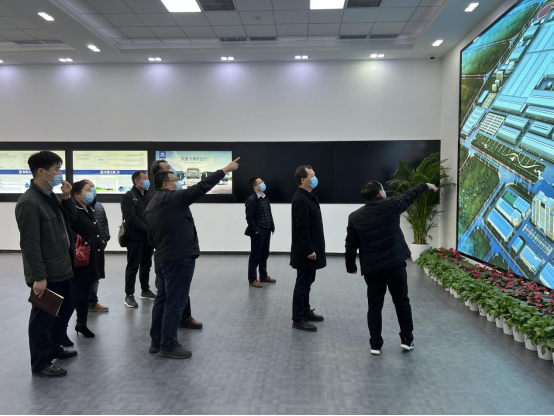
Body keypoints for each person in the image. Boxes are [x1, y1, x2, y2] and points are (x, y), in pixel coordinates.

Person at [145, 158, 240, 359]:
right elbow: (202, 186)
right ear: (165, 185)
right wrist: (225, 169)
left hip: (162, 258)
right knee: (175, 303)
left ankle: (157, 341)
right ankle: (169, 345)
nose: (178, 183)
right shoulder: (173, 198)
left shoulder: (152, 204)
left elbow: (151, 238)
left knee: (162, 301)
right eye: (174, 180)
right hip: (178, 258)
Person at [345, 181, 438, 356]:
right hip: (394, 265)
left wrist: (351, 266)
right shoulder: (392, 205)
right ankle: (407, 339)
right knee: (401, 301)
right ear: (380, 193)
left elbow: (351, 244)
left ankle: (375, 344)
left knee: (374, 305)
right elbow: (410, 195)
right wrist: (426, 185)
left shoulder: (355, 216)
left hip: (372, 268)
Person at [15, 151, 78, 378]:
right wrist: (39, 277)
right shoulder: (29, 202)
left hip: (62, 267)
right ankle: (41, 362)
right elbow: (29, 244)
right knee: (43, 318)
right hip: (46, 273)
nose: (59, 174)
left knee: (64, 310)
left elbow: (70, 221)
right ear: (41, 171)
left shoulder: (51, 196)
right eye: (56, 169)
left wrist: (67, 199)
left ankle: (54, 347)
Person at [151, 159, 202, 330]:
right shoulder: (166, 199)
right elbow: (200, 188)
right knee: (173, 298)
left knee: (169, 296)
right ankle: (168, 340)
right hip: (174, 255)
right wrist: (224, 170)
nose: (173, 170)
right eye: (168, 169)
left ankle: (159, 338)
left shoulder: (161, 200)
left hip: (168, 254)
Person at [291, 166, 326, 333]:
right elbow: (302, 228)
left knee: (307, 282)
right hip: (306, 251)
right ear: (303, 180)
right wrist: (309, 250)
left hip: (311, 248)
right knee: (303, 284)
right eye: (312, 175)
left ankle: (305, 311)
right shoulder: (300, 199)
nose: (315, 178)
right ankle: (298, 319)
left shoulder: (308, 197)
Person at [70, 181, 106, 339]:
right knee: (77, 295)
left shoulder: (89, 209)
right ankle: (62, 330)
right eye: (87, 190)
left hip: (91, 258)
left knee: (85, 295)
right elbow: (68, 231)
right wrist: (82, 241)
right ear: (77, 194)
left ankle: (82, 324)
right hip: (80, 259)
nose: (92, 192)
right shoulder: (73, 210)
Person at [121, 170, 156, 309]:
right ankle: (129, 295)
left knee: (146, 264)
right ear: (137, 181)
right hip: (135, 238)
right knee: (133, 266)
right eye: (145, 179)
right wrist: (148, 229)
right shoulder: (128, 196)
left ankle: (145, 290)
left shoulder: (148, 195)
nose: (148, 181)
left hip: (148, 238)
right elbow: (131, 218)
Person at [245, 177, 276, 288]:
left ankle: (263, 275)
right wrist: (256, 231)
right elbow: (249, 217)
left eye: (263, 181)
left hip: (267, 229)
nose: (263, 183)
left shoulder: (265, 197)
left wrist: (271, 227)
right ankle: (252, 279)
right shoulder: (251, 200)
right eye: (260, 182)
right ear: (255, 187)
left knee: (264, 254)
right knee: (255, 256)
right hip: (259, 231)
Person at [85, 180, 110, 313]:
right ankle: (83, 303)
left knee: (96, 275)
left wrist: (104, 240)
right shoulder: (77, 207)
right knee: (84, 278)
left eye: (93, 188)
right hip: (84, 249)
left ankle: (92, 302)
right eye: (88, 188)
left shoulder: (99, 205)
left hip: (98, 246)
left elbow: (104, 224)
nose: (92, 191)